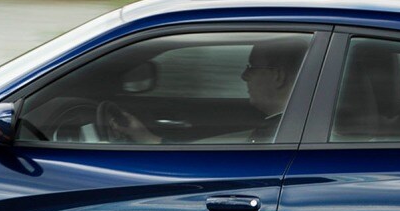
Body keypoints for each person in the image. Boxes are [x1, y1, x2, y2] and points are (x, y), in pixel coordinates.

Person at [110, 36, 308, 144]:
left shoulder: (279, 136)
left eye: (251, 68)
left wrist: (151, 142)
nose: (244, 76)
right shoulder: (291, 127)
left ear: (278, 76)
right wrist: (149, 139)